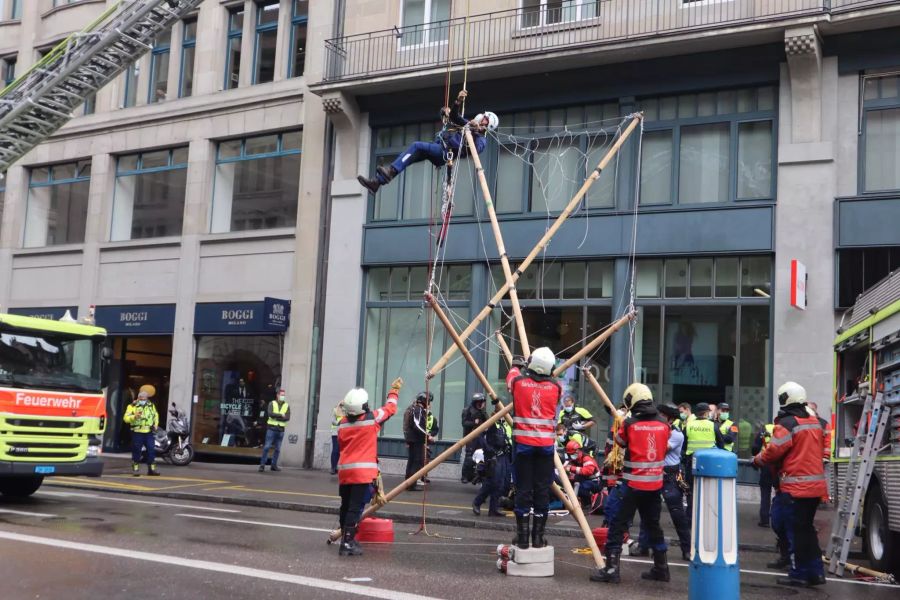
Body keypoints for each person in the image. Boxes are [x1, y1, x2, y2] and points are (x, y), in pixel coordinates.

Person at [591, 383, 671, 584]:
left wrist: (625, 422)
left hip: (633, 486)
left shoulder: (629, 424)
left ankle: (611, 570)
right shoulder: (664, 424)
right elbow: (666, 446)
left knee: (618, 525)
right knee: (654, 527)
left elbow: (620, 441)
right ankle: (661, 568)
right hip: (654, 486)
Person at [752, 381, 827, 587]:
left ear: (785, 398)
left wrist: (757, 460)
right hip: (815, 487)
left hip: (795, 488)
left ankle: (799, 574)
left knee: (795, 532)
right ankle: (816, 572)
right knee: (807, 531)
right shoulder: (816, 421)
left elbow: (773, 451)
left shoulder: (787, 423)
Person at [357, 89, 498, 195]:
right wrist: (458, 101)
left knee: (416, 146)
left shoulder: (481, 141)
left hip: (444, 153)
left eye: (484, 120)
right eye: (483, 117)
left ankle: (388, 173)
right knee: (411, 156)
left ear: (487, 126)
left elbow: (474, 150)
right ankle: (377, 182)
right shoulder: (468, 124)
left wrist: (473, 132)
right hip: (439, 146)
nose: (481, 119)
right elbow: (455, 117)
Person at [336, 377, 403, 556]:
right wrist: (394, 390)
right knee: (355, 508)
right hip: (362, 473)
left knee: (346, 506)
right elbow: (391, 408)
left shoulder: (341, 423)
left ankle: (346, 538)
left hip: (345, 472)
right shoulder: (371, 419)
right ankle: (348, 543)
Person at [507, 347, 561, 550]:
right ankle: (538, 538)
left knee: (523, 491)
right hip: (545, 449)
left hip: (523, 448)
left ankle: (522, 539)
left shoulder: (519, 383)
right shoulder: (556, 387)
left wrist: (516, 365)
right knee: (542, 492)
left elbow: (512, 377)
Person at [634, 404, 692, 560]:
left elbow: (659, 448)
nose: (657, 418)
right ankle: (643, 546)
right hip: (654, 474)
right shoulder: (657, 430)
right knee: (648, 513)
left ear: (670, 418)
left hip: (670, 477)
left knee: (678, 515)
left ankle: (687, 550)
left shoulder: (676, 435)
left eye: (661, 415)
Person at [682, 402, 724, 519]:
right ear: (706, 413)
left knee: (691, 491)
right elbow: (721, 444)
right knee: (708, 490)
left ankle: (690, 517)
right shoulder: (713, 426)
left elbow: (683, 445)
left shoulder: (689, 425)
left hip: (692, 461)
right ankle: (706, 517)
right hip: (708, 463)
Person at [472, 419, 512, 517]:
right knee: (492, 482)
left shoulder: (508, 422)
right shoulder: (491, 422)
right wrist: (489, 450)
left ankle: (493, 509)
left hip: (504, 456)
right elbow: (480, 435)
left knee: (502, 483)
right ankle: (477, 502)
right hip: (494, 456)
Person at [124, 390, 160, 477]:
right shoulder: (132, 406)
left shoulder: (151, 406)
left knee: (151, 450)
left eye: (144, 399)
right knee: (137, 451)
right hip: (137, 432)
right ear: (138, 398)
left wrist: (155, 425)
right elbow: (125, 418)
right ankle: (135, 469)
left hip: (148, 432)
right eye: (141, 399)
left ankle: (152, 469)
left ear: (147, 398)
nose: (143, 400)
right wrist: (134, 417)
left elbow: (155, 416)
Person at [403, 391, 432, 491]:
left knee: (411, 461)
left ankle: (408, 483)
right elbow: (417, 425)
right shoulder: (418, 410)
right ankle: (411, 484)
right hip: (416, 440)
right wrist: (427, 436)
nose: (429, 404)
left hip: (413, 439)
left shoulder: (416, 409)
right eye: (428, 401)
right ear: (424, 401)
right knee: (416, 461)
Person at [259, 389, 290, 472]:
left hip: (280, 430)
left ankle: (274, 465)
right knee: (267, 447)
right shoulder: (272, 403)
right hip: (272, 428)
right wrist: (281, 415)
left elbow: (287, 418)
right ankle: (262, 464)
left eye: (283, 395)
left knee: (278, 449)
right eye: (281, 395)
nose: (282, 396)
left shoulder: (286, 405)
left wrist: (277, 417)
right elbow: (270, 414)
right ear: (277, 395)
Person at [563, 440, 601, 507]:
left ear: (578, 451)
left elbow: (588, 471)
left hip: (594, 481)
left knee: (581, 488)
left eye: (572, 454)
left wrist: (572, 468)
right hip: (585, 480)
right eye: (569, 454)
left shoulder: (586, 458)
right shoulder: (574, 459)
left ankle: (589, 501)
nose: (571, 456)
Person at [752, 421, 776, 528]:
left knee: (765, 492)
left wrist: (757, 456)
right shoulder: (786, 429)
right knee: (780, 493)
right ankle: (776, 518)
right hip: (779, 465)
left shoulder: (765, 429)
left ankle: (765, 519)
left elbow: (755, 448)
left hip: (766, 464)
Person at [461, 393, 488, 483]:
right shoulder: (467, 410)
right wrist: (474, 423)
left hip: (480, 437)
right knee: (469, 456)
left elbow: (487, 422)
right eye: (481, 402)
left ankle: (476, 475)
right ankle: (464, 476)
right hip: (470, 437)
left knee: (480, 456)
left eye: (483, 402)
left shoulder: (482, 411)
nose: (482, 404)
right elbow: (464, 423)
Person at [330, 401, 344, 475]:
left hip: (342, 433)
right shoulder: (335, 410)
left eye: (343, 405)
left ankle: (335, 467)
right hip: (335, 433)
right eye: (341, 405)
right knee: (335, 450)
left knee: (339, 451)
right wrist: (339, 423)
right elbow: (332, 421)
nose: (342, 406)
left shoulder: (345, 412)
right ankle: (333, 467)